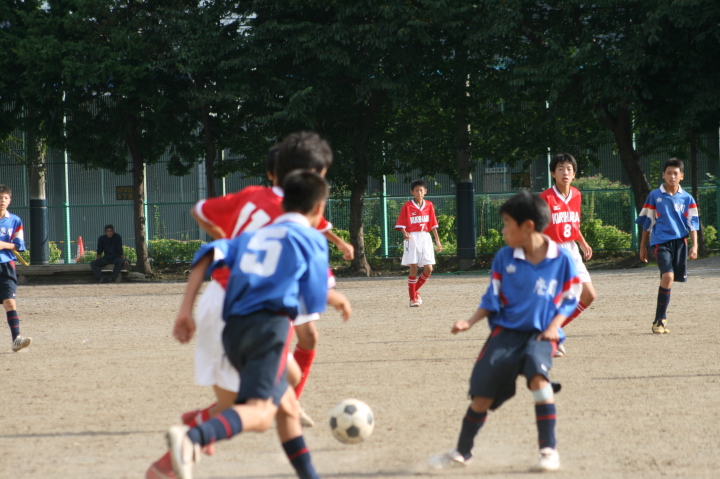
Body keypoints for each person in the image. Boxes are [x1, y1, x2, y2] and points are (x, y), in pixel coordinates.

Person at [146, 132, 351, 478]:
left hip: (224, 305)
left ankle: (169, 461)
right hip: (257, 314)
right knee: (254, 412)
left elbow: (205, 231)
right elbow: (313, 294)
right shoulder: (303, 232)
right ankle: (192, 434)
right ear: (315, 178)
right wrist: (335, 298)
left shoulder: (253, 204)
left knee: (286, 399)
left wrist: (185, 310)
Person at [429, 191, 581, 472]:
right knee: (482, 396)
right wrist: (470, 322)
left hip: (540, 335)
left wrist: (553, 327)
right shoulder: (504, 258)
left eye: (507, 223)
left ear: (528, 226)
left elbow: (572, 297)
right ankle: (462, 452)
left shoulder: (561, 258)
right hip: (506, 333)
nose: (503, 230)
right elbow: (492, 298)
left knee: (538, 379)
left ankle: (548, 450)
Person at [539, 153, 597, 357]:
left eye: (569, 169)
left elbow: (572, 224)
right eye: (561, 168)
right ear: (553, 174)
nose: (565, 172)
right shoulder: (545, 197)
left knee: (589, 295)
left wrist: (582, 242)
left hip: (571, 249)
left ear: (574, 174)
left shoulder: (576, 194)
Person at [636, 158, 699, 334]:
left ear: (682, 176)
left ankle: (660, 319)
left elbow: (693, 223)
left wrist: (695, 246)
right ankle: (660, 320)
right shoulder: (655, 196)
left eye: (675, 173)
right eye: (669, 173)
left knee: (669, 279)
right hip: (660, 242)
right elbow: (647, 222)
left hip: (680, 243)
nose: (672, 176)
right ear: (663, 175)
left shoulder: (687, 198)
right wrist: (642, 246)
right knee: (668, 276)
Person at [395, 179, 442, 307]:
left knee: (429, 269)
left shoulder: (429, 205)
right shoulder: (407, 206)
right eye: (416, 190)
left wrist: (437, 240)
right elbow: (401, 223)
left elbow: (433, 224)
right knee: (414, 267)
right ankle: (413, 299)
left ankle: (414, 291)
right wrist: (404, 232)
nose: (419, 193)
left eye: (421, 190)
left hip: (425, 237)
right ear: (412, 192)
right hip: (412, 237)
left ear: (425, 191)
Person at [0, 185, 31, 352]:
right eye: (0, 198)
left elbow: (19, 245)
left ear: (10, 200)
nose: (2, 201)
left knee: (10, 303)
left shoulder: (15, 221)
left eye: (5, 198)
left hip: (6, 266)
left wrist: (3, 245)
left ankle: (16, 339)